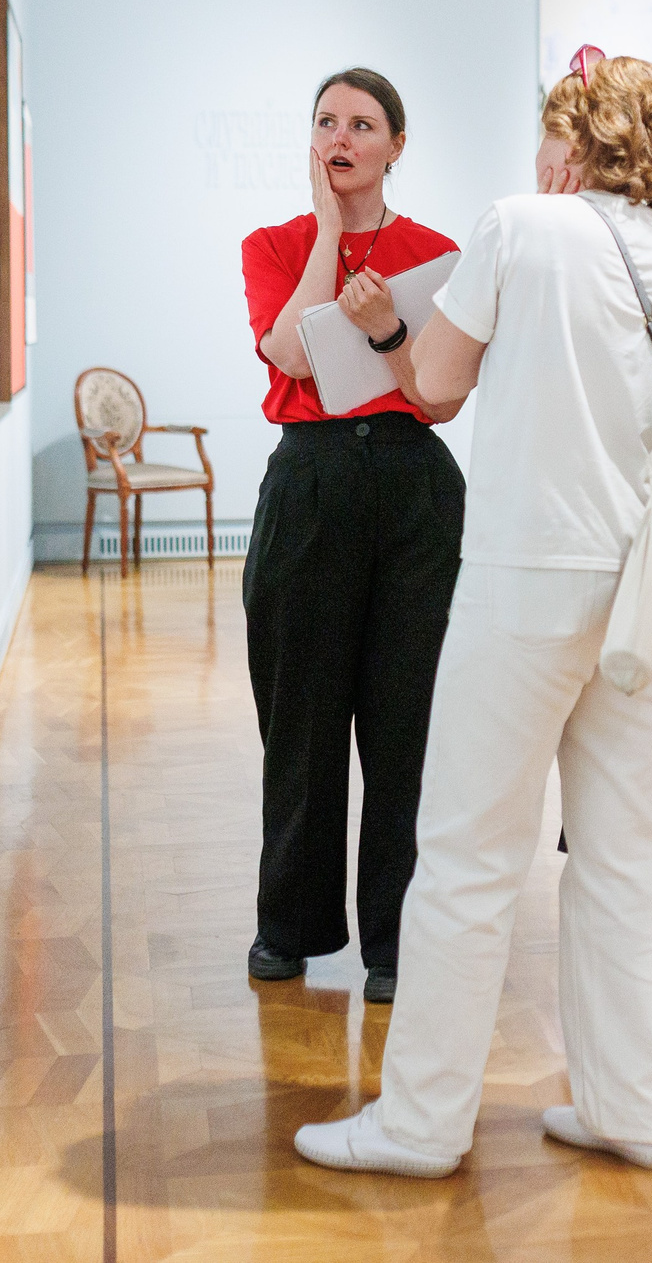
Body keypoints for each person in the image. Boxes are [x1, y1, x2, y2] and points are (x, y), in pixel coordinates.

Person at [294, 51, 652, 1178]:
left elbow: (434, 387)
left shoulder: (519, 226)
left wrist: (382, 331)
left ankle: (421, 1123)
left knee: (468, 851)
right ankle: (637, 1111)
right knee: (625, 853)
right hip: (643, 601)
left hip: (524, 576)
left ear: (571, 143)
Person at [240, 68, 466, 1006]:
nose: (341, 137)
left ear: (395, 145)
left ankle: (396, 942)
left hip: (413, 486)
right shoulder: (275, 243)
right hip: (311, 479)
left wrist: (384, 336)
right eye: (326, 121)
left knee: (405, 721)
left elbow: (440, 395)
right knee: (300, 715)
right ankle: (289, 924)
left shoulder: (437, 251)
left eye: (361, 124)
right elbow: (289, 352)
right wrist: (330, 235)